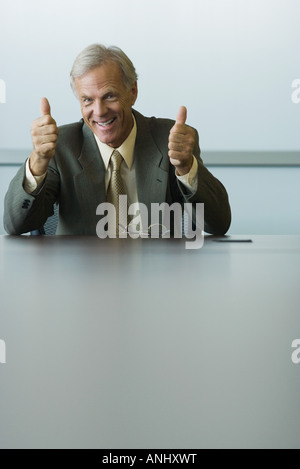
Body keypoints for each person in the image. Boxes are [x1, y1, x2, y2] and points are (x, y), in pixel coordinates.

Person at [3, 43, 231, 236]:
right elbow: (15, 225)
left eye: (109, 96)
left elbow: (218, 223)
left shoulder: (170, 139)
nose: (99, 111)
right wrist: (37, 162)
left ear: (132, 92)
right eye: (87, 100)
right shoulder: (61, 147)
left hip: (157, 279)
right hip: (82, 281)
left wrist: (186, 167)